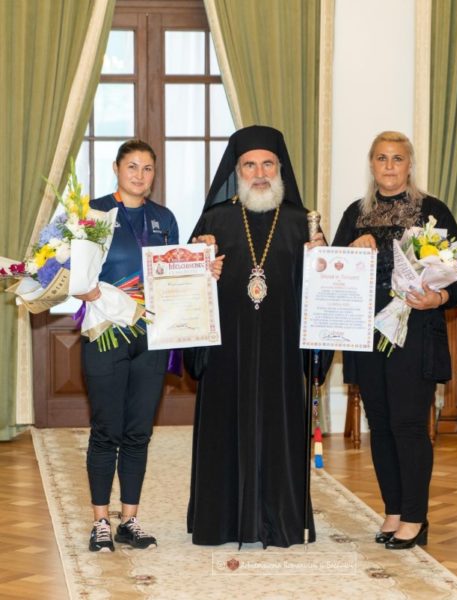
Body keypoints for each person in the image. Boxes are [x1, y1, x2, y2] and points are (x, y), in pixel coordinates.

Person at [186, 125, 330, 548]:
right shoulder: (215, 221)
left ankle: (279, 521)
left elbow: (324, 294)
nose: (260, 173)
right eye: (250, 165)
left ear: (280, 168)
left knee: (279, 429)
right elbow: (185, 289)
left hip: (281, 350)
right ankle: (221, 522)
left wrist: (322, 260)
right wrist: (199, 261)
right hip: (226, 350)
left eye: (268, 164)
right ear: (237, 172)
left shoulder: (303, 223)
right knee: (224, 429)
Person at [76, 139, 222, 552]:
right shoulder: (94, 214)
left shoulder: (164, 218)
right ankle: (100, 521)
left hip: (152, 337)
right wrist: (83, 289)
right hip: (106, 332)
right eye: (132, 167)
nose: (140, 175)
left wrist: (205, 269)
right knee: (107, 430)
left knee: (139, 431)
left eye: (147, 168)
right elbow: (76, 272)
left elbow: (176, 274)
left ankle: (130, 519)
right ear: (116, 169)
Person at [332, 131, 457, 549]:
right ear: (371, 165)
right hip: (367, 333)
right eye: (381, 158)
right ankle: (393, 511)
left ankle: (415, 517)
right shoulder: (355, 214)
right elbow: (332, 272)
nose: (389, 166)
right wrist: (351, 250)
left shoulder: (433, 211)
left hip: (416, 331)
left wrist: (438, 298)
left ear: (409, 165)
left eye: (397, 158)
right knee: (380, 425)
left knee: (408, 424)